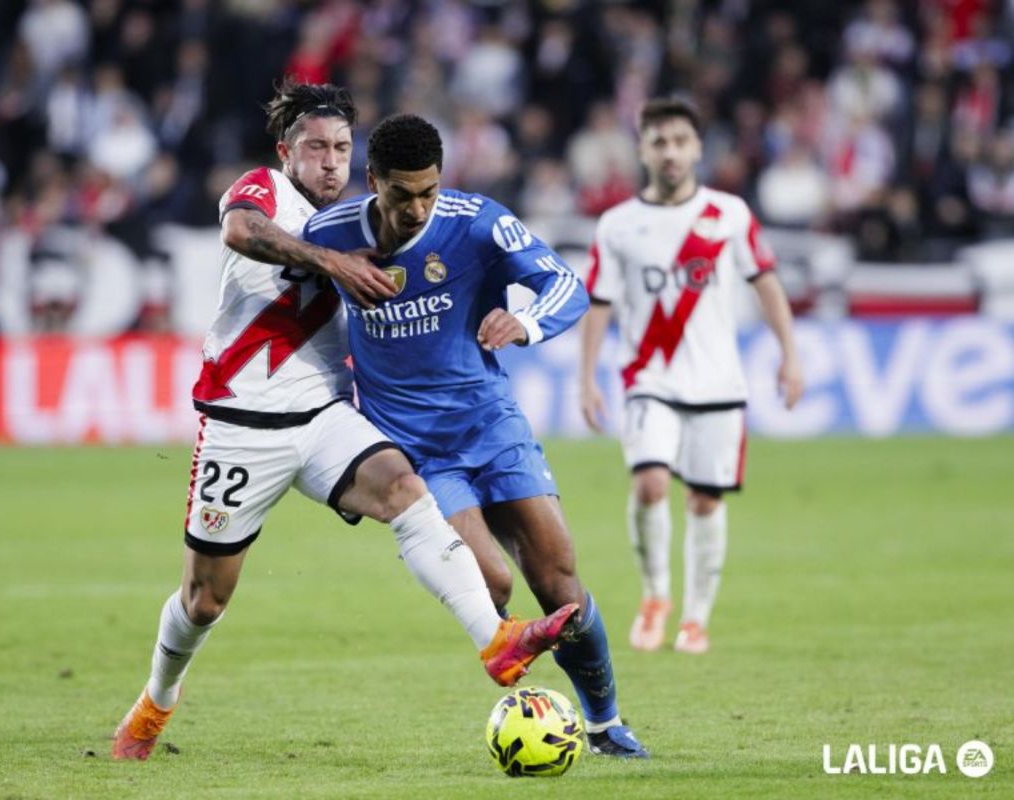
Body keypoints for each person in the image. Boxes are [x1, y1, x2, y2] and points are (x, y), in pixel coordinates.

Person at [112, 83, 576, 761]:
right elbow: (241, 231)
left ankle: (496, 641)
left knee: (404, 488)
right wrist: (331, 263)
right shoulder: (266, 193)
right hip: (242, 422)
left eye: (339, 148)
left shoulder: (368, 218)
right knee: (205, 600)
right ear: (286, 152)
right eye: (314, 148)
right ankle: (156, 701)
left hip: (325, 414)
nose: (328, 161)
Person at [303, 113, 649, 759]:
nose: (416, 208)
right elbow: (273, 283)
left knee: (560, 581)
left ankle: (604, 723)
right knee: (492, 583)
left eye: (428, 192)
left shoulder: (478, 221)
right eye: (402, 194)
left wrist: (523, 322)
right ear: (372, 180)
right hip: (414, 451)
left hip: (490, 424)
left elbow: (566, 285)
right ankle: (534, 706)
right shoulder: (328, 236)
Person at [578, 98, 804, 655]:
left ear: (698, 147)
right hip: (647, 376)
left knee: (705, 501)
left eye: (680, 141)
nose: (671, 151)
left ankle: (696, 618)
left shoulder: (729, 214)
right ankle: (656, 596)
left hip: (718, 382)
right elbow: (599, 302)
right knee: (650, 483)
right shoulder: (618, 225)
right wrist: (586, 377)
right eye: (659, 141)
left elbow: (767, 283)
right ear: (642, 148)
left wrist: (790, 354)